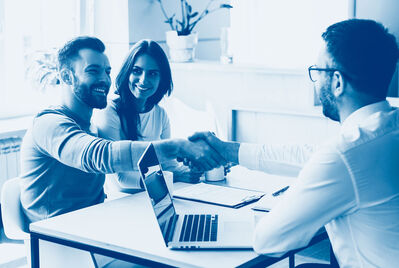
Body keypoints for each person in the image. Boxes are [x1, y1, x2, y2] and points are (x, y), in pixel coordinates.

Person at [190, 19, 399, 267]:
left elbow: (268, 241)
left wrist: (298, 196)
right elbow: (312, 155)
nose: (315, 82)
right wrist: (229, 151)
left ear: (337, 82)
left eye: (318, 72)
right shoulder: (385, 128)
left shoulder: (344, 155)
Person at [19, 36, 224, 225]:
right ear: (67, 76)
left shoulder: (89, 125)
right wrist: (178, 147)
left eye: (107, 71)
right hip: (60, 238)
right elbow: (102, 156)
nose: (104, 79)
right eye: (93, 70)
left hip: (96, 222)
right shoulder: (49, 124)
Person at [93, 39, 202, 195]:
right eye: (137, 71)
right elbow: (121, 178)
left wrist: (195, 169)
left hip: (155, 196)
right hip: (123, 201)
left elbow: (168, 165)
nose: (143, 80)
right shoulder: (109, 112)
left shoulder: (160, 114)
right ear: (126, 72)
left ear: (161, 79)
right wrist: (175, 176)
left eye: (152, 73)